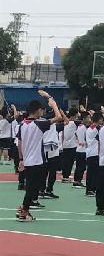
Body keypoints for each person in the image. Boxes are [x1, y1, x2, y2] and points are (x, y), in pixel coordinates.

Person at [15, 91, 63, 222]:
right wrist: (53, 104)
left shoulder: (22, 124)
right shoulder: (39, 124)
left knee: (31, 187)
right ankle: (24, 211)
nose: (42, 112)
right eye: (41, 109)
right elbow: (59, 117)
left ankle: (24, 208)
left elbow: (20, 143)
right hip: (37, 161)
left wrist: (21, 159)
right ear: (37, 110)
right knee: (32, 188)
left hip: (28, 160)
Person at [59, 108, 79, 184]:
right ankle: (66, 177)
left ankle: (65, 176)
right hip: (72, 145)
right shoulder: (74, 123)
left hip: (65, 145)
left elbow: (62, 135)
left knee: (65, 162)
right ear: (75, 115)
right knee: (69, 162)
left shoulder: (64, 123)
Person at [84, 112, 101, 197]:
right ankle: (92, 189)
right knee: (95, 173)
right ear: (99, 120)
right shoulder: (97, 129)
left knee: (90, 172)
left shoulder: (88, 129)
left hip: (89, 152)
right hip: (95, 153)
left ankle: (88, 189)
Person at [72, 112, 88, 189]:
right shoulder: (84, 128)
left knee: (79, 166)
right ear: (84, 118)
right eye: (88, 118)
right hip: (83, 149)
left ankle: (76, 180)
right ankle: (78, 181)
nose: (89, 120)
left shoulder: (79, 126)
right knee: (81, 167)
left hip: (78, 149)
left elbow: (76, 134)